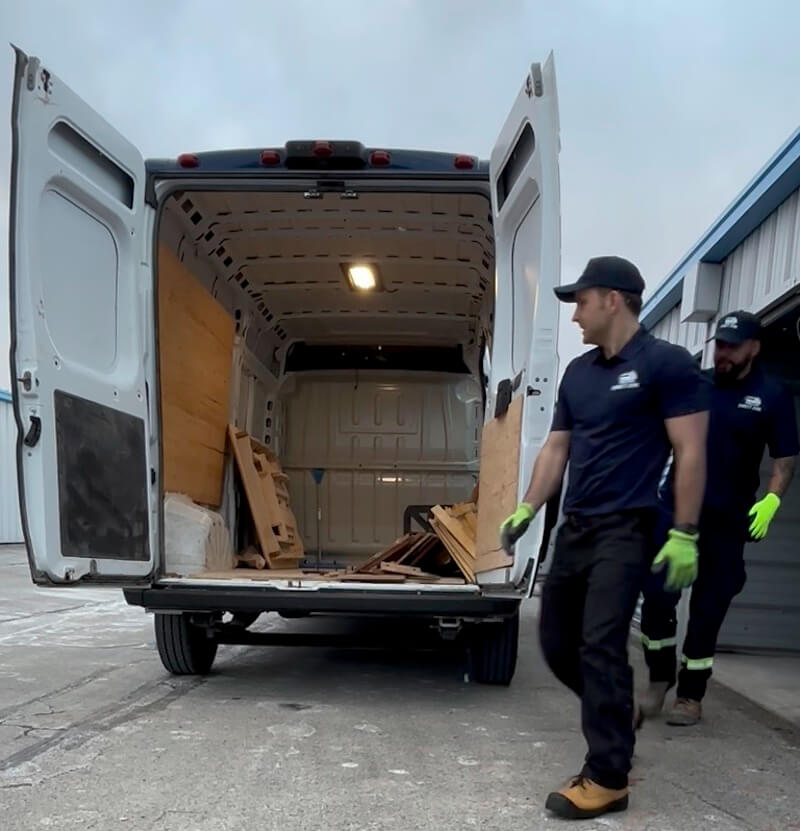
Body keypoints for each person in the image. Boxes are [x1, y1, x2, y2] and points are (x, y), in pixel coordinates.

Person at [499, 255, 710, 821]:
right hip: (576, 526)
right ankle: (616, 707)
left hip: (629, 526)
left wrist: (685, 531)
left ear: (612, 299)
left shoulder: (667, 364)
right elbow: (556, 448)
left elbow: (691, 450)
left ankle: (608, 776)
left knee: (599, 643)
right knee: (556, 643)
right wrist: (526, 509)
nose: (575, 317)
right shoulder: (579, 373)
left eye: (581, 303)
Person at [639, 310, 799, 726]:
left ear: (754, 348)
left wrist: (772, 501)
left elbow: (784, 459)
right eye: (720, 344)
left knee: (709, 611)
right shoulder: (696, 383)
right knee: (657, 598)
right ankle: (659, 678)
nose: (723, 353)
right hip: (673, 512)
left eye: (732, 345)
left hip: (727, 520)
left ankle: (690, 696)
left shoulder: (773, 395)